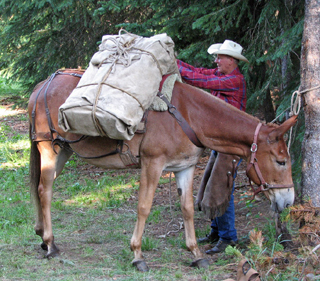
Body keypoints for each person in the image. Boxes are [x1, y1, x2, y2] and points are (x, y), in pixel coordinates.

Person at [177, 39, 249, 254]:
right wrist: (174, 61)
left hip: (232, 143)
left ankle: (229, 238)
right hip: (222, 141)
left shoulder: (234, 80)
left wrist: (172, 65)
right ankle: (217, 232)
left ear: (232, 61)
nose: (216, 61)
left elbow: (200, 81)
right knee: (213, 184)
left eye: (220, 57)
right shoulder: (223, 76)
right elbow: (198, 71)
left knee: (223, 188)